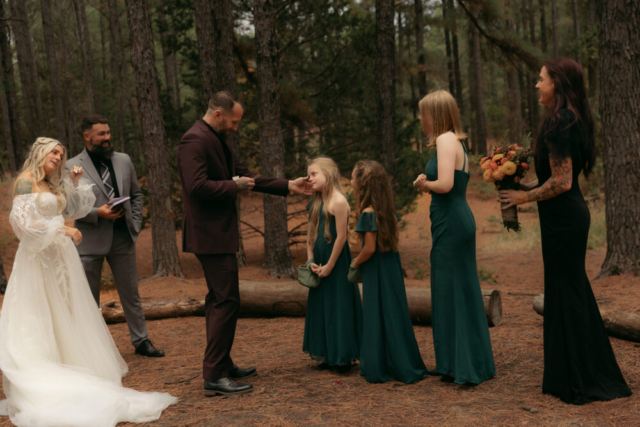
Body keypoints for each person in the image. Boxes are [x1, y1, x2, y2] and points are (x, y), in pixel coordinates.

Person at [0, 137, 176, 427]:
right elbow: (22, 224)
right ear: (40, 152)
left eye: (61, 153)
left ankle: (66, 364)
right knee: (39, 313)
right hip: (37, 261)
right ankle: (42, 371)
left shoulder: (50, 183)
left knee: (63, 312)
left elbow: (71, 211)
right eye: (53, 152)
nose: (58, 156)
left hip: (59, 261)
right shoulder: (25, 180)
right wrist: (63, 232)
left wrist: (70, 182)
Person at [498, 57, 631, 404]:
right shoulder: (568, 119)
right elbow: (553, 180)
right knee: (564, 290)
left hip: (565, 219)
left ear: (557, 82)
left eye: (541, 79)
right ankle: (569, 373)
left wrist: (521, 200)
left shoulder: (561, 121)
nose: (537, 85)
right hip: (562, 217)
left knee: (568, 290)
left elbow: (562, 181)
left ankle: (582, 377)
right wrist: (525, 187)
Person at [177, 91, 310, 396]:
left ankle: (221, 363)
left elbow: (246, 176)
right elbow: (196, 186)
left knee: (219, 299)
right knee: (227, 300)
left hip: (218, 233)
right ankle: (214, 376)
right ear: (219, 114)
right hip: (207, 235)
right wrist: (232, 186)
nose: (236, 128)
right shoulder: (194, 140)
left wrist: (288, 185)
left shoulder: (215, 137)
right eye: (234, 122)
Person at [413, 90, 495, 385]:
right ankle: (460, 361)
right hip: (453, 220)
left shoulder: (446, 139)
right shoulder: (454, 140)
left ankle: (463, 365)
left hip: (452, 222)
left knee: (453, 290)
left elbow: (446, 184)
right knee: (456, 289)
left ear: (434, 114)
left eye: (423, 113)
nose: (420, 118)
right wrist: (429, 183)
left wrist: (425, 185)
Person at [67, 115, 164, 357]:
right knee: (89, 299)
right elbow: (69, 206)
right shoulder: (71, 166)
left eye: (108, 132)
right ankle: (90, 348)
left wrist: (136, 224)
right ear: (87, 136)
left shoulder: (123, 160)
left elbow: (137, 195)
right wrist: (97, 213)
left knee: (131, 294)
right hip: (88, 241)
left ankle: (141, 341)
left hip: (123, 239)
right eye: (101, 134)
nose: (107, 137)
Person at [351, 160, 427, 384]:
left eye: (354, 177)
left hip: (376, 268)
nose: (351, 181)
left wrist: (355, 263)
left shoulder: (368, 213)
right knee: (393, 312)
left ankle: (378, 365)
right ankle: (399, 360)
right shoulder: (387, 210)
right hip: (390, 266)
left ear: (363, 184)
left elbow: (369, 248)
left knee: (375, 313)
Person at [304, 156, 363, 372]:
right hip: (318, 261)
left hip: (336, 263)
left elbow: (341, 238)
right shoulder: (317, 200)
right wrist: (310, 259)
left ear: (328, 175)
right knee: (322, 305)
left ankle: (343, 357)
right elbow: (310, 232)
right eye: (308, 174)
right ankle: (327, 354)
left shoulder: (338, 201)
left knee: (338, 306)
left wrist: (329, 266)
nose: (309, 178)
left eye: (313, 174)